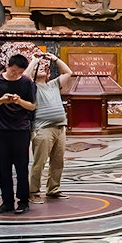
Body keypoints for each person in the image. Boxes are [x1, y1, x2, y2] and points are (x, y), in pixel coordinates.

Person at [0, 53, 36, 214]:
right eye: (14, 71)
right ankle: (7, 202)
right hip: (1, 131)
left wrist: (19, 101)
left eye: (19, 72)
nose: (16, 75)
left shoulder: (27, 82)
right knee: (3, 168)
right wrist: (2, 100)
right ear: (8, 66)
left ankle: (23, 201)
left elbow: (32, 106)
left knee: (22, 168)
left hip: (21, 130)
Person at [28, 52, 72, 203]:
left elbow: (68, 72)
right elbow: (25, 78)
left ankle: (53, 189)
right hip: (43, 129)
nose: (42, 69)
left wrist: (55, 59)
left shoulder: (53, 84)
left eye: (44, 69)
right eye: (38, 69)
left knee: (58, 162)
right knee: (39, 162)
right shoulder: (31, 87)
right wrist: (34, 61)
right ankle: (33, 192)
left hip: (60, 128)